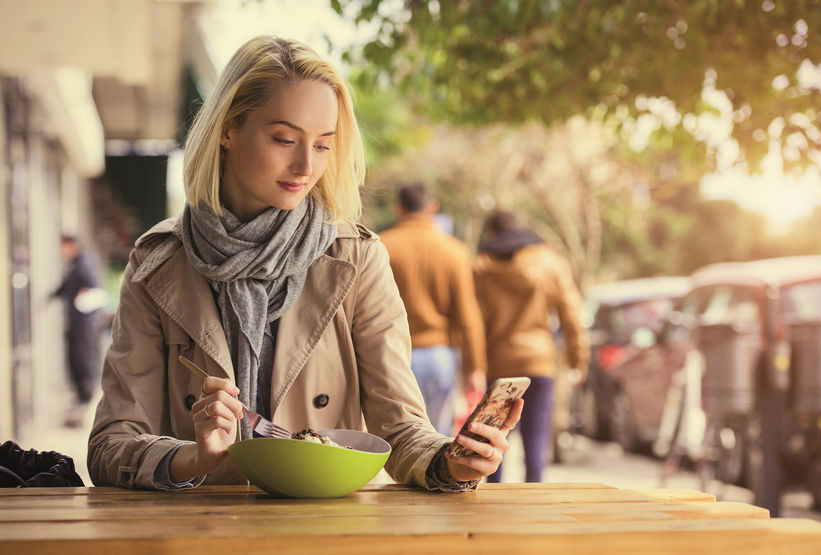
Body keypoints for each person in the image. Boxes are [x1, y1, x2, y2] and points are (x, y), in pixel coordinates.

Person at [88, 36, 521, 491]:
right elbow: (110, 446)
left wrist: (450, 464)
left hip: (326, 528)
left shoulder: (355, 258)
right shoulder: (159, 263)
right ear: (228, 129)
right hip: (202, 530)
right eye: (285, 139)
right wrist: (189, 458)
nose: (304, 165)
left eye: (323, 145)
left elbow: (400, 428)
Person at [472, 210, 588, 482]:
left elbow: (472, 322)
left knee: (492, 445)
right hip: (539, 363)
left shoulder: (481, 267)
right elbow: (571, 314)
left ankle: (491, 514)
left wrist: (473, 366)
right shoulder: (548, 262)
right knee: (536, 446)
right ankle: (535, 513)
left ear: (491, 234)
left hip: (499, 365)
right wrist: (577, 361)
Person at [378, 182, 487, 436]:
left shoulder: (381, 247)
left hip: (394, 355)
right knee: (436, 437)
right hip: (440, 357)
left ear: (399, 209)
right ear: (432, 208)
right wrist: (475, 367)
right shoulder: (455, 251)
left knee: (397, 435)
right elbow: (468, 316)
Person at [52, 234, 103, 427]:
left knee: (82, 358)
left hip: (84, 323)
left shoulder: (84, 262)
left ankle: (85, 397)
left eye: (63, 247)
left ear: (71, 245)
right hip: (77, 323)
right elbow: (64, 287)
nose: (61, 252)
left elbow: (89, 286)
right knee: (75, 358)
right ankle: (82, 396)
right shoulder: (76, 263)